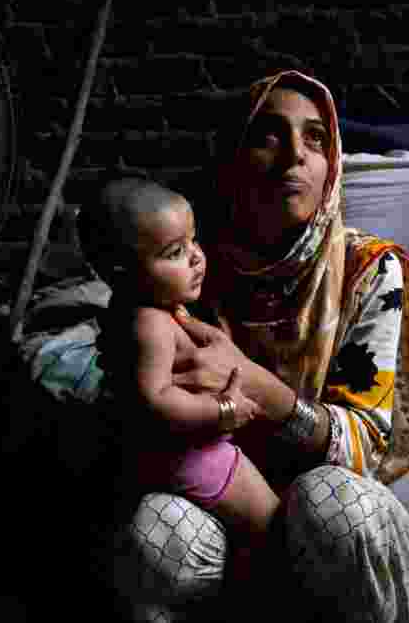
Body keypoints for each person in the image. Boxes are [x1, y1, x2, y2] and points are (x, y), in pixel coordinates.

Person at [105, 70, 409, 623]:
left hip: (322, 504)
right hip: (218, 497)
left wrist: (254, 385)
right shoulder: (182, 268)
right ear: (235, 156)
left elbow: (364, 445)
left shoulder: (368, 272)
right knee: (157, 532)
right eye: (269, 135)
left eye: (316, 138)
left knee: (341, 507)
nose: (295, 156)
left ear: (333, 163)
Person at [76, 173, 281, 560]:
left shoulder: (155, 307)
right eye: (174, 252)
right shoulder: (149, 323)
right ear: (122, 271)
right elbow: (155, 399)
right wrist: (224, 410)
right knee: (273, 528)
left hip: (183, 455)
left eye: (193, 239)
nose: (196, 256)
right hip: (194, 459)